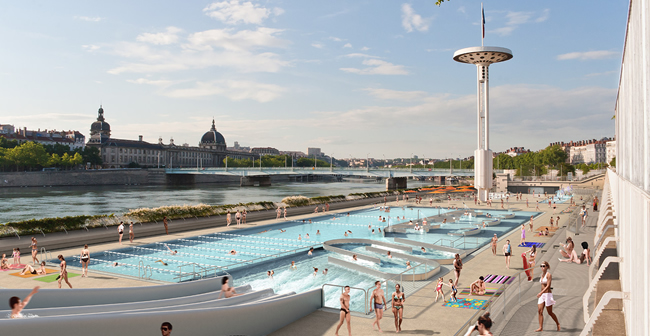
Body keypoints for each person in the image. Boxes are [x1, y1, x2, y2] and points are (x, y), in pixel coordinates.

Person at [535, 261, 561, 332]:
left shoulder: (548, 275)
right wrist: (541, 293)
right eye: (541, 266)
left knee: (550, 312)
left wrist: (541, 292)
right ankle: (540, 327)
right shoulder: (542, 275)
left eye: (543, 266)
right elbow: (542, 285)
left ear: (547, 267)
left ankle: (558, 323)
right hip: (542, 295)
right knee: (540, 311)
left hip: (547, 294)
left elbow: (548, 286)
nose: (542, 267)